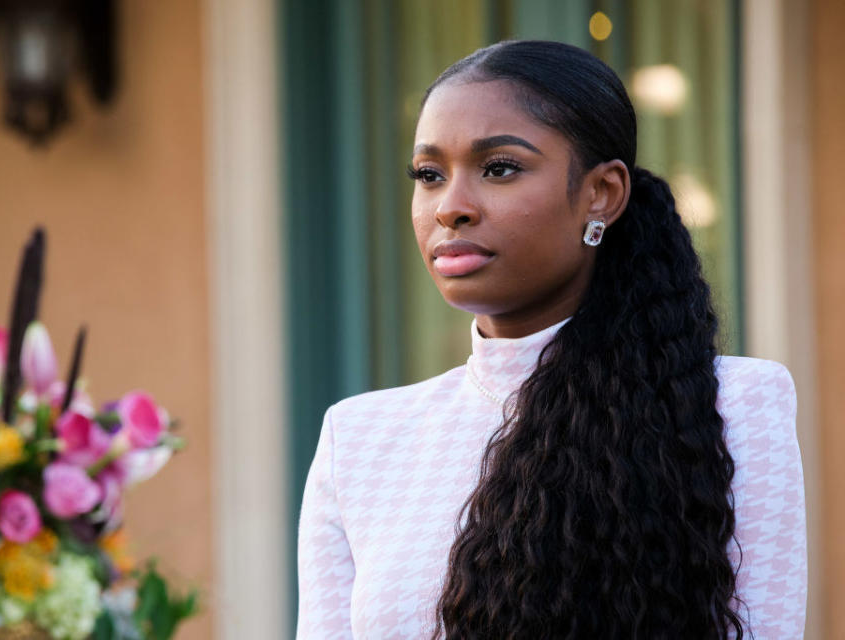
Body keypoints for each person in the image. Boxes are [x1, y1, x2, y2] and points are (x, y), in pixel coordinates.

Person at [296, 40, 806, 639]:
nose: (450, 208)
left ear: (602, 194)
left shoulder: (734, 403)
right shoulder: (358, 439)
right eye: (429, 175)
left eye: (499, 168)